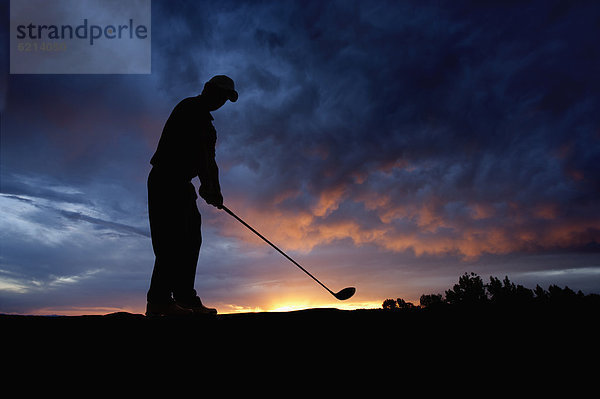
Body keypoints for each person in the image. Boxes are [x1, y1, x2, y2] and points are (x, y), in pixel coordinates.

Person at [145, 75, 238, 316]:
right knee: (172, 242)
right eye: (219, 94)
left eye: (225, 98)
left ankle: (182, 298)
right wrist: (211, 190)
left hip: (179, 184)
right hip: (166, 181)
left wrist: (212, 190)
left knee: (189, 239)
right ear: (207, 89)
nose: (221, 101)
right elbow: (204, 159)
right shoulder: (190, 109)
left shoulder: (206, 123)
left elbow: (209, 161)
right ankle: (161, 302)